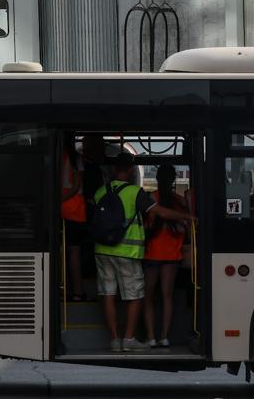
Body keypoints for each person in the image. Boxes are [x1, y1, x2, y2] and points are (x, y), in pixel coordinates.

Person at [94, 153, 195, 352]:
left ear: (114, 169)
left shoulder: (100, 192)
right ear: (131, 170)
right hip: (128, 252)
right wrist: (188, 217)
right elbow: (161, 212)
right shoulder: (135, 192)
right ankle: (130, 339)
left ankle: (115, 340)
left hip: (103, 251)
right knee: (136, 295)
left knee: (108, 294)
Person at [143, 164, 190, 348]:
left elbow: (145, 225)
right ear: (173, 180)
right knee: (167, 296)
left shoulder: (151, 198)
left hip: (152, 253)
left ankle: (150, 337)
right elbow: (185, 228)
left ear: (157, 178)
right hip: (172, 255)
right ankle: (164, 337)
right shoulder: (180, 202)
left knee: (148, 296)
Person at [61, 134, 88, 301]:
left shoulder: (56, 155)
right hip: (75, 211)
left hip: (60, 210)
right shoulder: (76, 158)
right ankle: (78, 291)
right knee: (75, 252)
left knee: (61, 252)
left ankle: (61, 288)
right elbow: (77, 185)